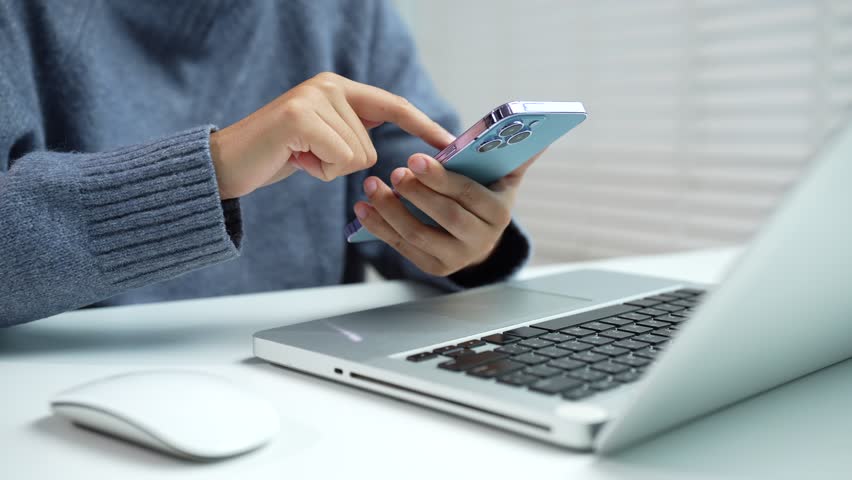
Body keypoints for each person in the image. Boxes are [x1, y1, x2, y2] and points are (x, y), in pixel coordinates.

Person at [0, 0, 532, 327]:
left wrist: (462, 231)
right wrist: (213, 168)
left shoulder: (353, 11)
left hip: (315, 370)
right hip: (64, 396)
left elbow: (401, 176)